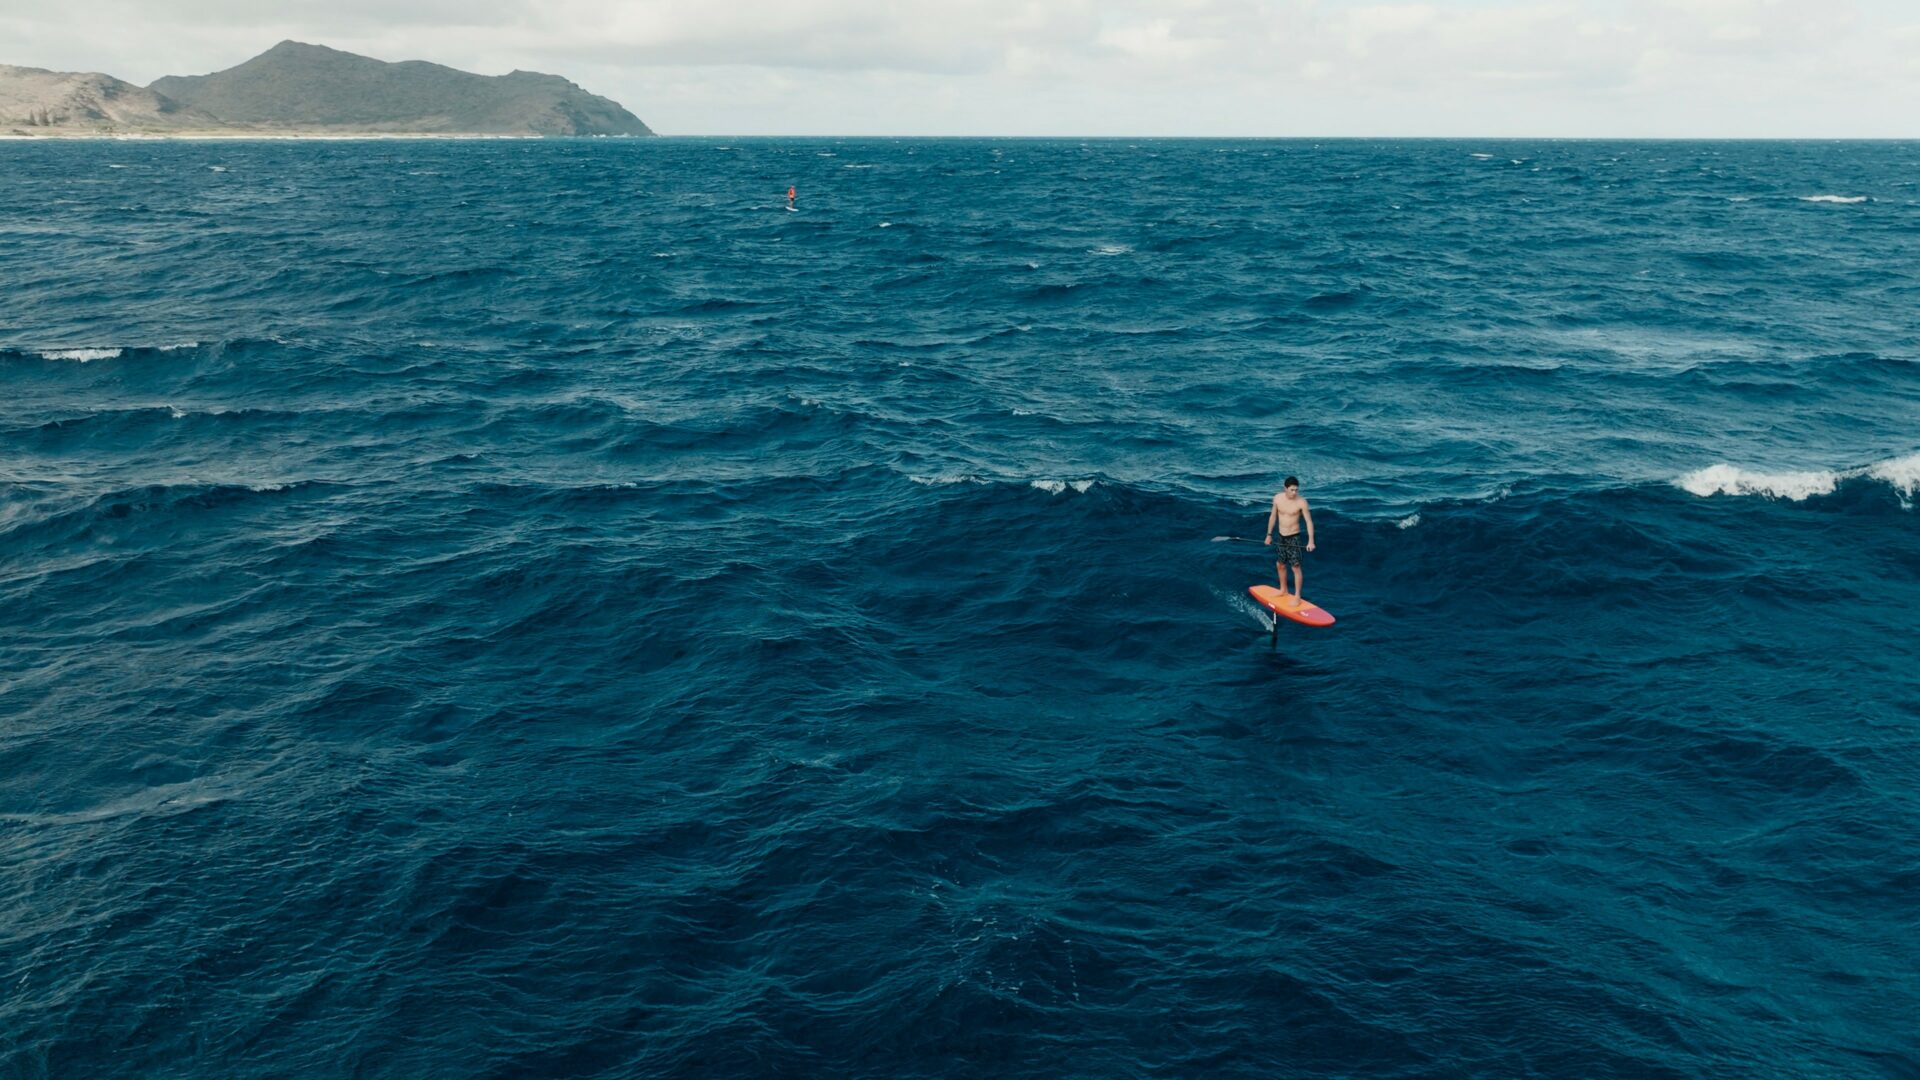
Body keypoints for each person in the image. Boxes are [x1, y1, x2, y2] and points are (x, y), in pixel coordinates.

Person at [1264, 476, 1316, 600]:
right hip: (1281, 536)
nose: (1294, 493)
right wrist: (1269, 535)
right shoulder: (1277, 498)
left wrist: (1311, 541)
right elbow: (1273, 517)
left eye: (1296, 490)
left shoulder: (1301, 502)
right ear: (1285, 488)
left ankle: (1297, 595)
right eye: (1292, 490)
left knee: (1295, 566)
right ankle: (1283, 590)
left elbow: (1309, 522)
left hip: (1294, 537)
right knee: (1280, 564)